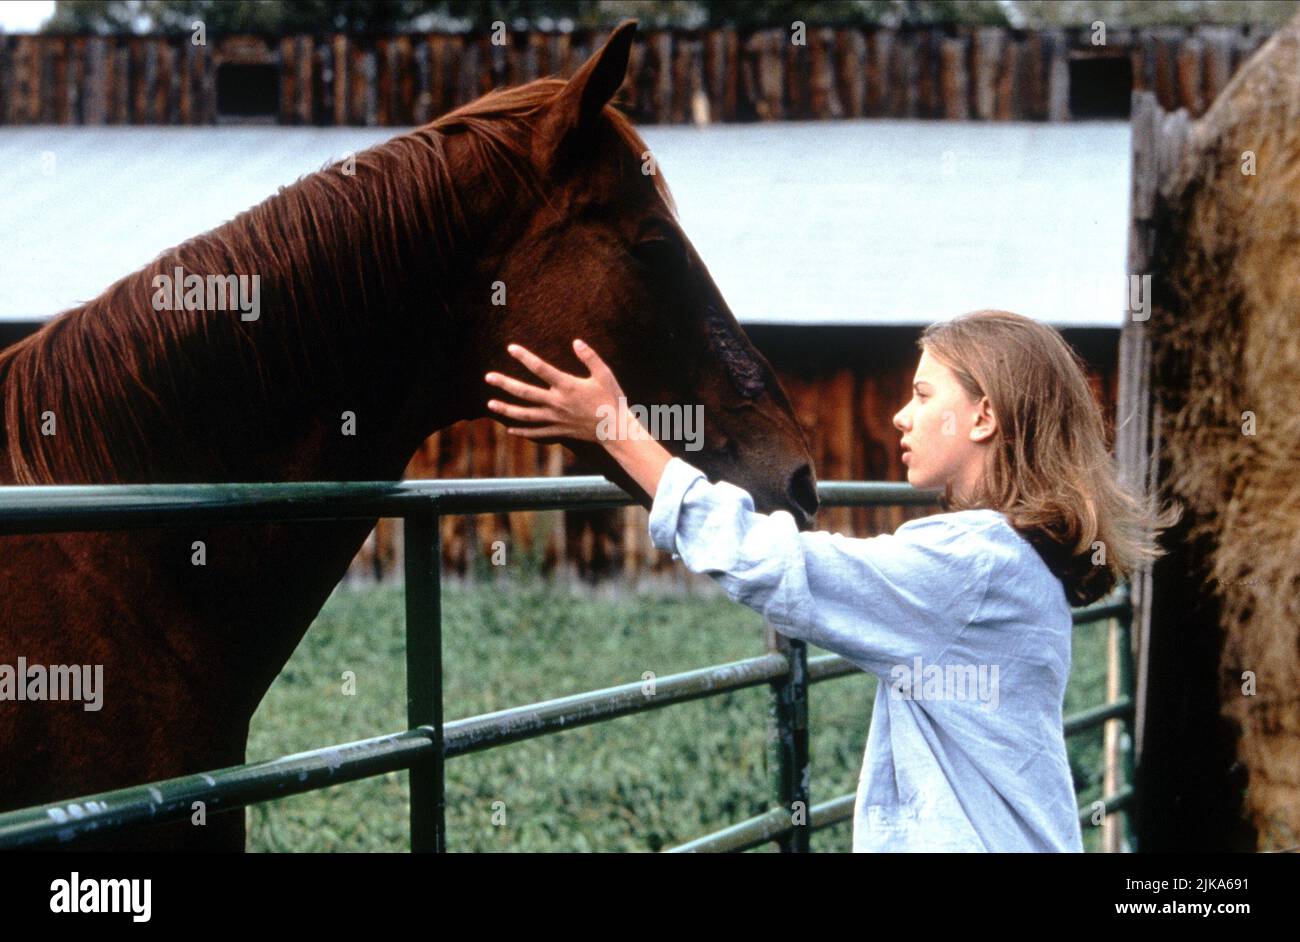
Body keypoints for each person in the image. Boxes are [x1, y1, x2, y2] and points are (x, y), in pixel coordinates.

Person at [483, 309, 1177, 852]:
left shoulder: (972, 564)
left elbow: (776, 562)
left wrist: (616, 429)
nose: (901, 415)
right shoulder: (1010, 559)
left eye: (922, 392)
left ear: (985, 416)